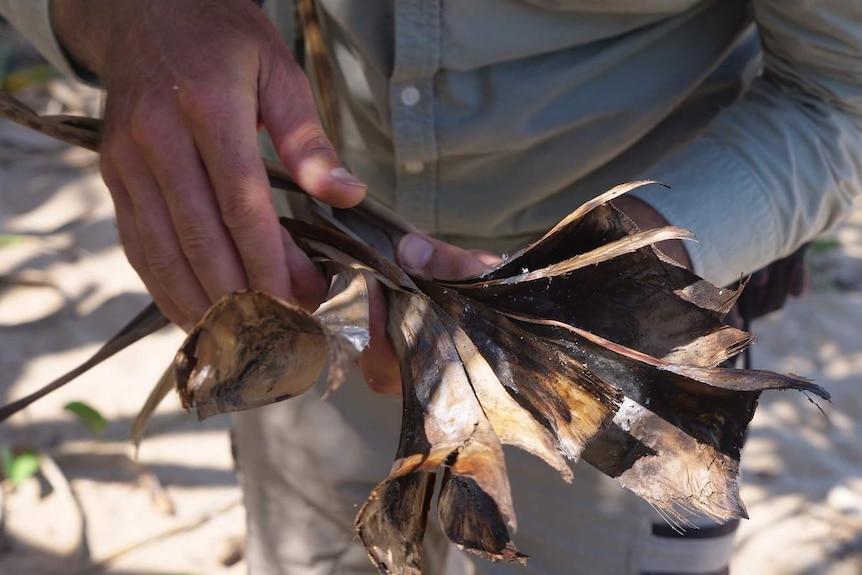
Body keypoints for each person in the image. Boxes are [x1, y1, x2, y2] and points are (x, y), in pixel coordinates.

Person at [2, 1, 860, 573]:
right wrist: (127, 18)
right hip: (305, 284)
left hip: (619, 344)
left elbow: (839, 95)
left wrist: (603, 270)